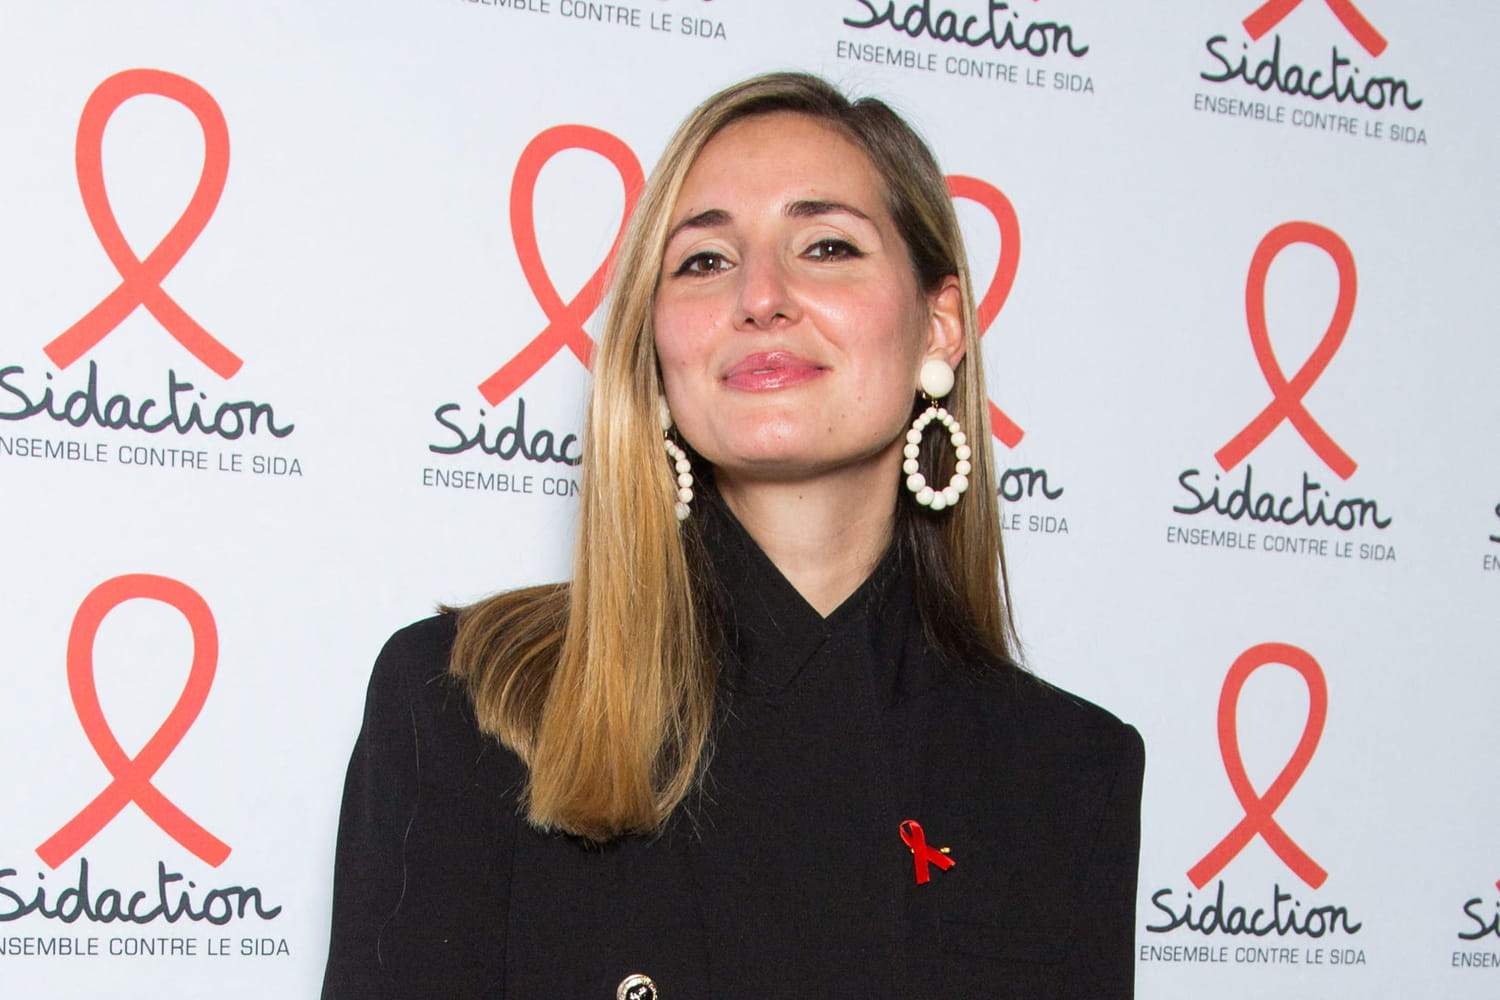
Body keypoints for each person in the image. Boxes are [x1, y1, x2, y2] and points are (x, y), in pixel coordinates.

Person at [322, 72, 1143, 999]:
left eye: (827, 246)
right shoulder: (468, 703)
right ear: (655, 344)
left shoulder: (1067, 770)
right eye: (705, 261)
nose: (761, 296)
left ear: (938, 326)